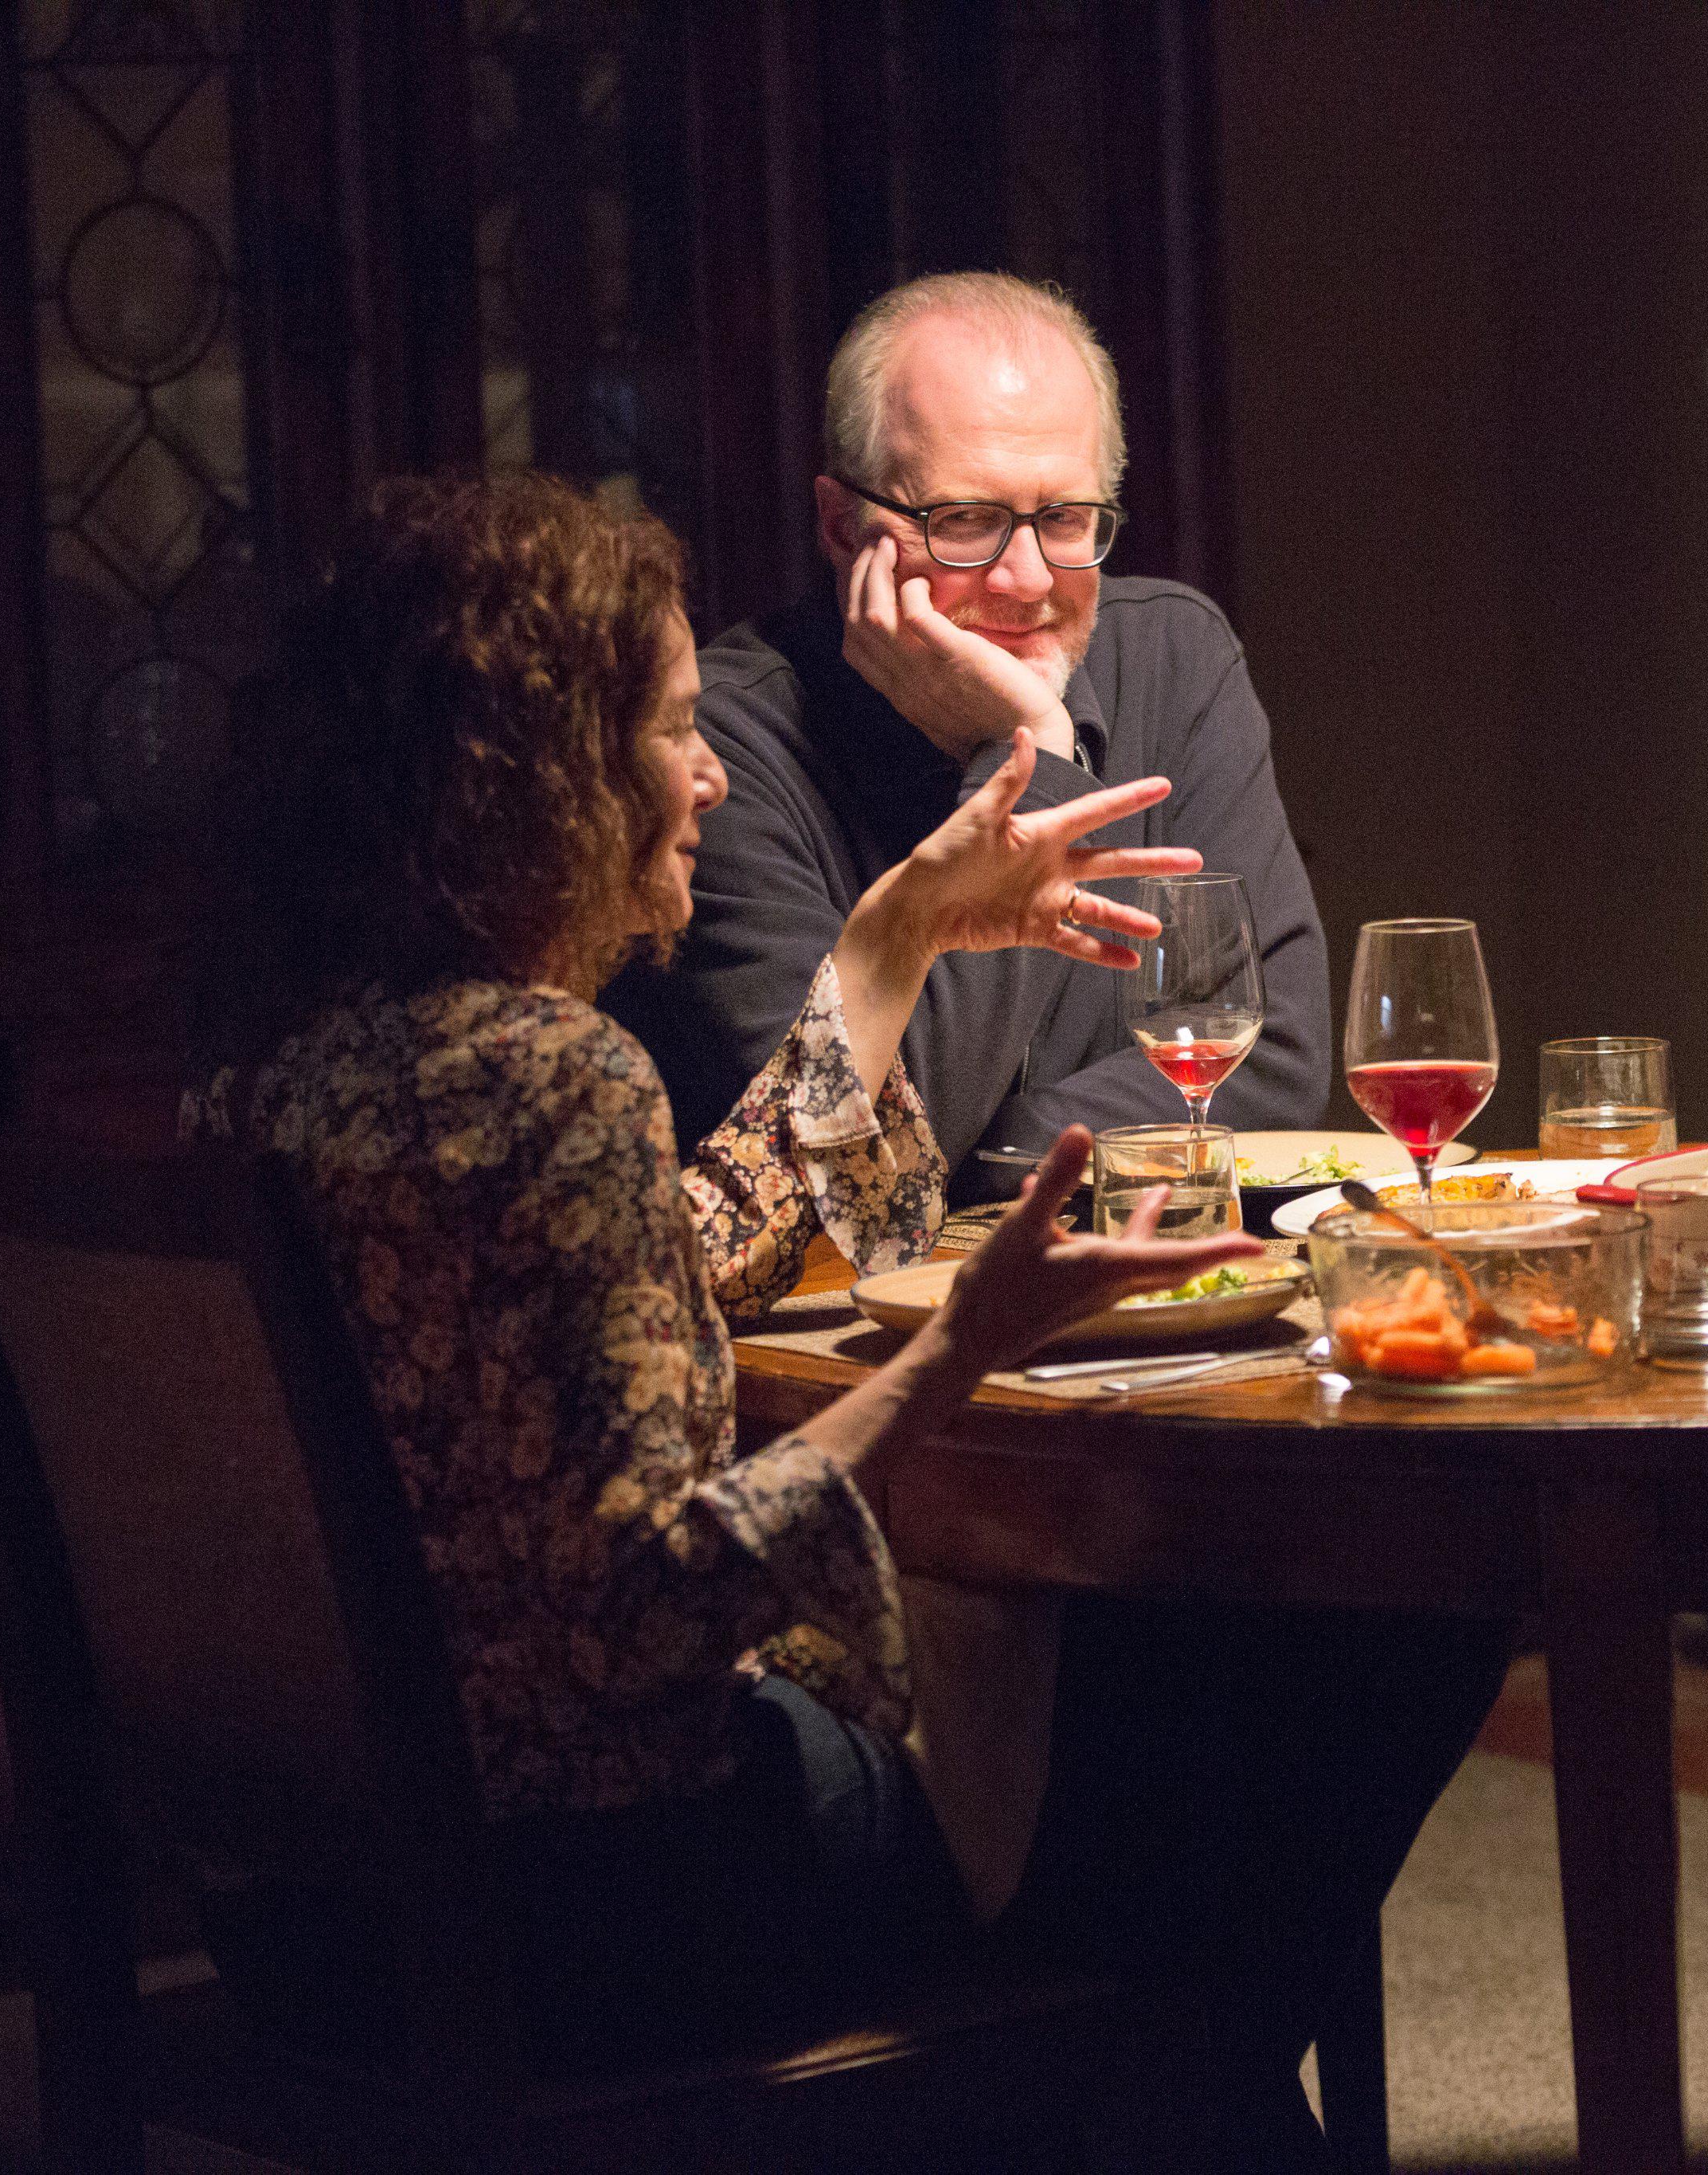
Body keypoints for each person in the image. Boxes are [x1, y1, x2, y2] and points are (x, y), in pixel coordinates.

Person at [189, 475, 1506, 2167]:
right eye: (672, 731)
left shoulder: (288, 1075)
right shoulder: (557, 1078)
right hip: (602, 1912)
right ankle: (1148, 2101)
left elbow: (670, 1258)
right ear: (534, 778)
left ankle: (1174, 2104)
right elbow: (650, 1606)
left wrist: (893, 940)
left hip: (323, 1908)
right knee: (1321, 1658)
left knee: (1187, 1769)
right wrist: (961, 1348)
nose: (711, 775)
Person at [602, 272, 1327, 1192]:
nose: (1027, 579)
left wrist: (999, 1149)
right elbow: (830, 1166)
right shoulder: (717, 748)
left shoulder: (1175, 657)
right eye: (966, 521)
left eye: (1065, 518)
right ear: (842, 526)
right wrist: (1034, 750)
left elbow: (1272, 1055)